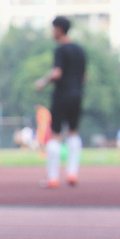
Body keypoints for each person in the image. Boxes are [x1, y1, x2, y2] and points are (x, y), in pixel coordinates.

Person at [33, 16, 87, 188]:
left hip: (62, 95)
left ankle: (53, 177)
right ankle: (72, 173)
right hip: (77, 95)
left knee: (55, 135)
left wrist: (42, 82)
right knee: (73, 132)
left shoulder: (60, 50)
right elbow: (84, 77)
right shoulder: (81, 51)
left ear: (58, 29)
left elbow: (57, 73)